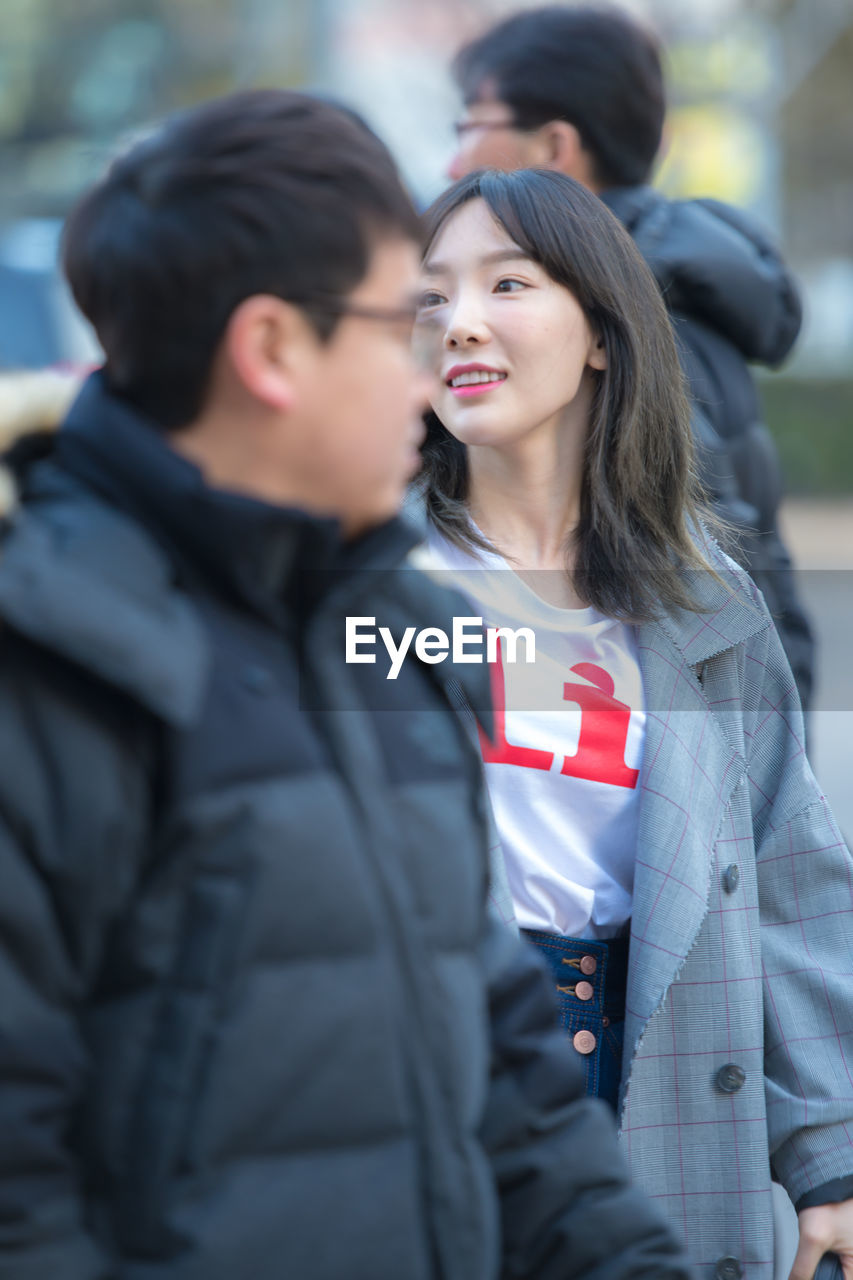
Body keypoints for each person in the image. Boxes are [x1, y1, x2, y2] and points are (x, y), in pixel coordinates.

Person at [0, 89, 698, 1280]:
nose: (434, 368)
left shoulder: (394, 626)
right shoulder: (48, 669)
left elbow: (507, 1076)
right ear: (271, 348)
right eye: (402, 322)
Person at [411, 166, 853, 1280]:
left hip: (657, 1075)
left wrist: (830, 1156)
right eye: (429, 297)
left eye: (505, 284)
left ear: (602, 332)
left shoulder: (704, 605)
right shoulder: (368, 587)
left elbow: (788, 878)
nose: (458, 322)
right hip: (441, 1076)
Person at [445, 4, 815, 716]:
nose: (452, 164)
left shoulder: (628, 319)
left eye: (470, 127)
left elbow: (698, 587)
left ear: (553, 146)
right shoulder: (662, 287)